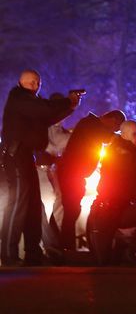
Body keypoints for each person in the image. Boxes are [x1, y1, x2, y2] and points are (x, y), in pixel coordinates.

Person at [0, 69, 80, 266]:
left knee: (34, 205)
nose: (35, 85)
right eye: (31, 82)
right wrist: (66, 101)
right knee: (18, 202)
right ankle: (8, 254)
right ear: (21, 82)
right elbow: (44, 110)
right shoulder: (19, 97)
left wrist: (70, 107)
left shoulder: (30, 102)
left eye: (37, 82)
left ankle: (33, 252)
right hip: (15, 155)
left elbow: (47, 117)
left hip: (25, 156)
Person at [57, 110, 126, 251]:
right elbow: (107, 138)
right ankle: (65, 246)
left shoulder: (91, 125)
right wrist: (123, 139)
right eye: (116, 128)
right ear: (113, 120)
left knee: (72, 210)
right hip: (71, 174)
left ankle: (65, 245)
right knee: (71, 211)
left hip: (74, 174)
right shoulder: (90, 125)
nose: (114, 130)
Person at [88, 120, 136, 266]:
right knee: (103, 261)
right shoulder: (117, 151)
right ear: (123, 134)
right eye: (134, 134)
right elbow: (134, 166)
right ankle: (121, 250)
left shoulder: (135, 150)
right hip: (107, 210)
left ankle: (129, 251)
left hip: (121, 209)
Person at [35, 93, 72, 255]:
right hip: (42, 170)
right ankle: (50, 245)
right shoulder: (47, 125)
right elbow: (58, 143)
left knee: (56, 205)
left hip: (50, 170)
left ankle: (54, 243)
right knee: (48, 206)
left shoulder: (55, 127)